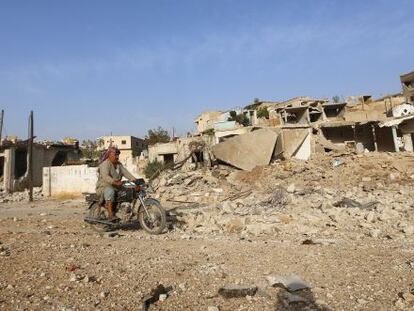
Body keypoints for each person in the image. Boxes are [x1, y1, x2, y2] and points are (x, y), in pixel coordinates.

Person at [96, 147, 136, 221]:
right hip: (104, 187)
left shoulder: (119, 165)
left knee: (129, 191)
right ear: (109, 155)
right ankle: (111, 215)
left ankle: (125, 211)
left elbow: (126, 173)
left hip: (116, 186)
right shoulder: (105, 164)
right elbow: (105, 176)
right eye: (115, 155)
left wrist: (135, 181)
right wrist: (115, 182)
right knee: (110, 191)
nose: (117, 157)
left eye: (118, 155)